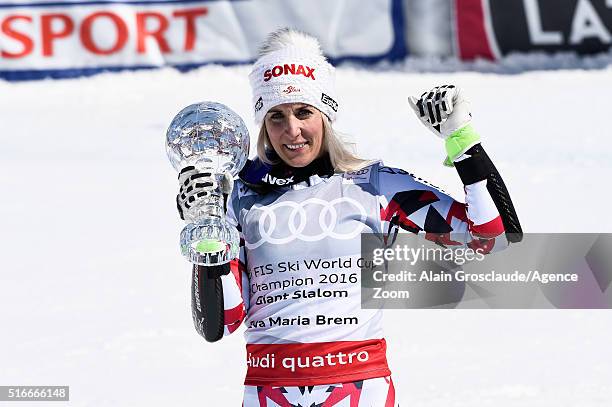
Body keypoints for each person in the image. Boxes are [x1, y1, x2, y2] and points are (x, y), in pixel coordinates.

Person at [176, 28, 522, 407]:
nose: (292, 131)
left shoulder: (373, 186)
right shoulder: (240, 196)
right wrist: (205, 230)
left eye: (304, 112)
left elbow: (492, 238)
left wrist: (461, 140)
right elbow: (219, 323)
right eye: (276, 117)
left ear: (325, 114)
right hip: (268, 392)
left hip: (360, 390)